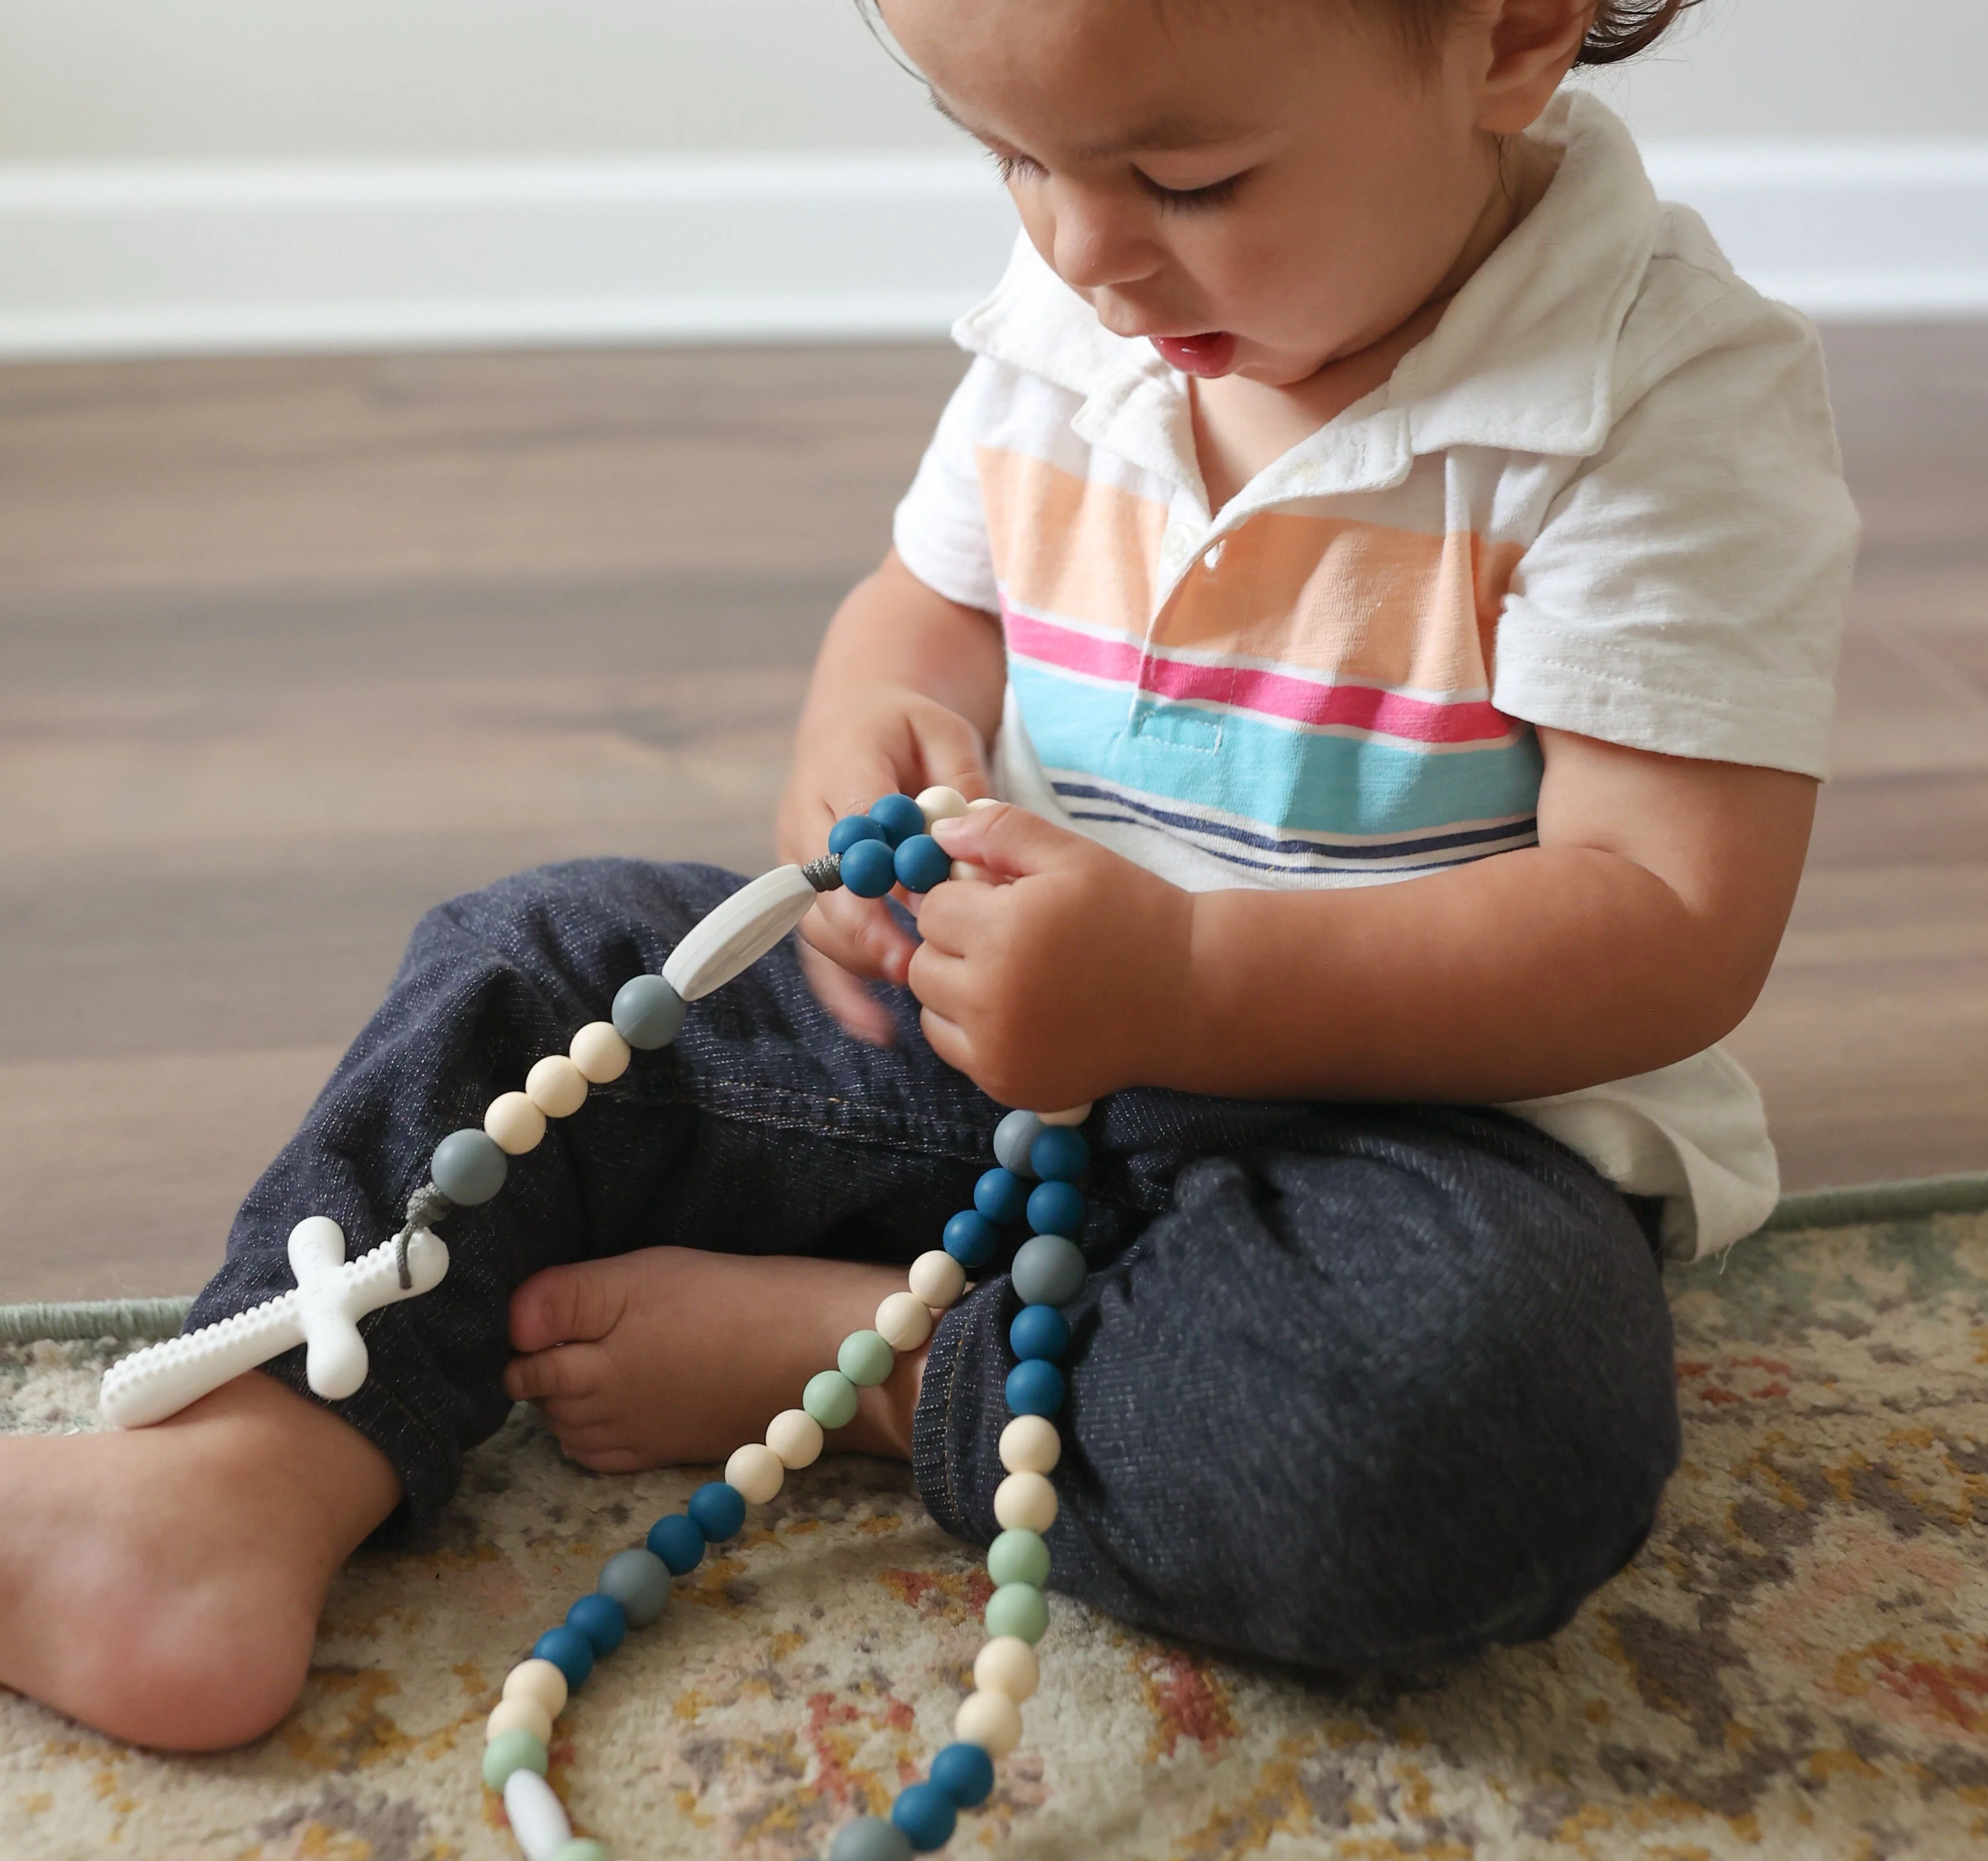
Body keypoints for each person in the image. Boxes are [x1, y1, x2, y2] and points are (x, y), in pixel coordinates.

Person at [0, 0, 1857, 1755]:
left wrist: (1189, 986)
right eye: (1010, 161)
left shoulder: (1653, 398)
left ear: (1514, 30)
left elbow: (1671, 917)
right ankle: (240, 1471)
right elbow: (923, 609)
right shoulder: (1098, 310)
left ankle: (891, 1369)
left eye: (1188, 183)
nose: (1083, 249)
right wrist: (865, 738)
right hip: (986, 1045)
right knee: (536, 959)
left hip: (1397, 1152)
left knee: (1484, 1420)